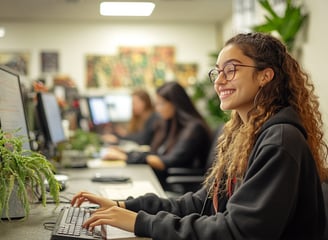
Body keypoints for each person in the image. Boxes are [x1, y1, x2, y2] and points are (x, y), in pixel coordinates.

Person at [71, 32, 328, 240]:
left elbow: (239, 231)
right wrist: (125, 206)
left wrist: (141, 223)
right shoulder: (244, 134)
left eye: (231, 69)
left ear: (265, 75)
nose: (219, 81)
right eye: (217, 72)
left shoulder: (280, 141)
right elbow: (199, 203)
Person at [103, 81, 212, 189]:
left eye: (161, 104)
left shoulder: (193, 129)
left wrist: (125, 157)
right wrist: (127, 152)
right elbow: (156, 153)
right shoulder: (172, 125)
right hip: (163, 180)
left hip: (179, 186)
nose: (157, 109)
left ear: (175, 104)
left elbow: (168, 162)